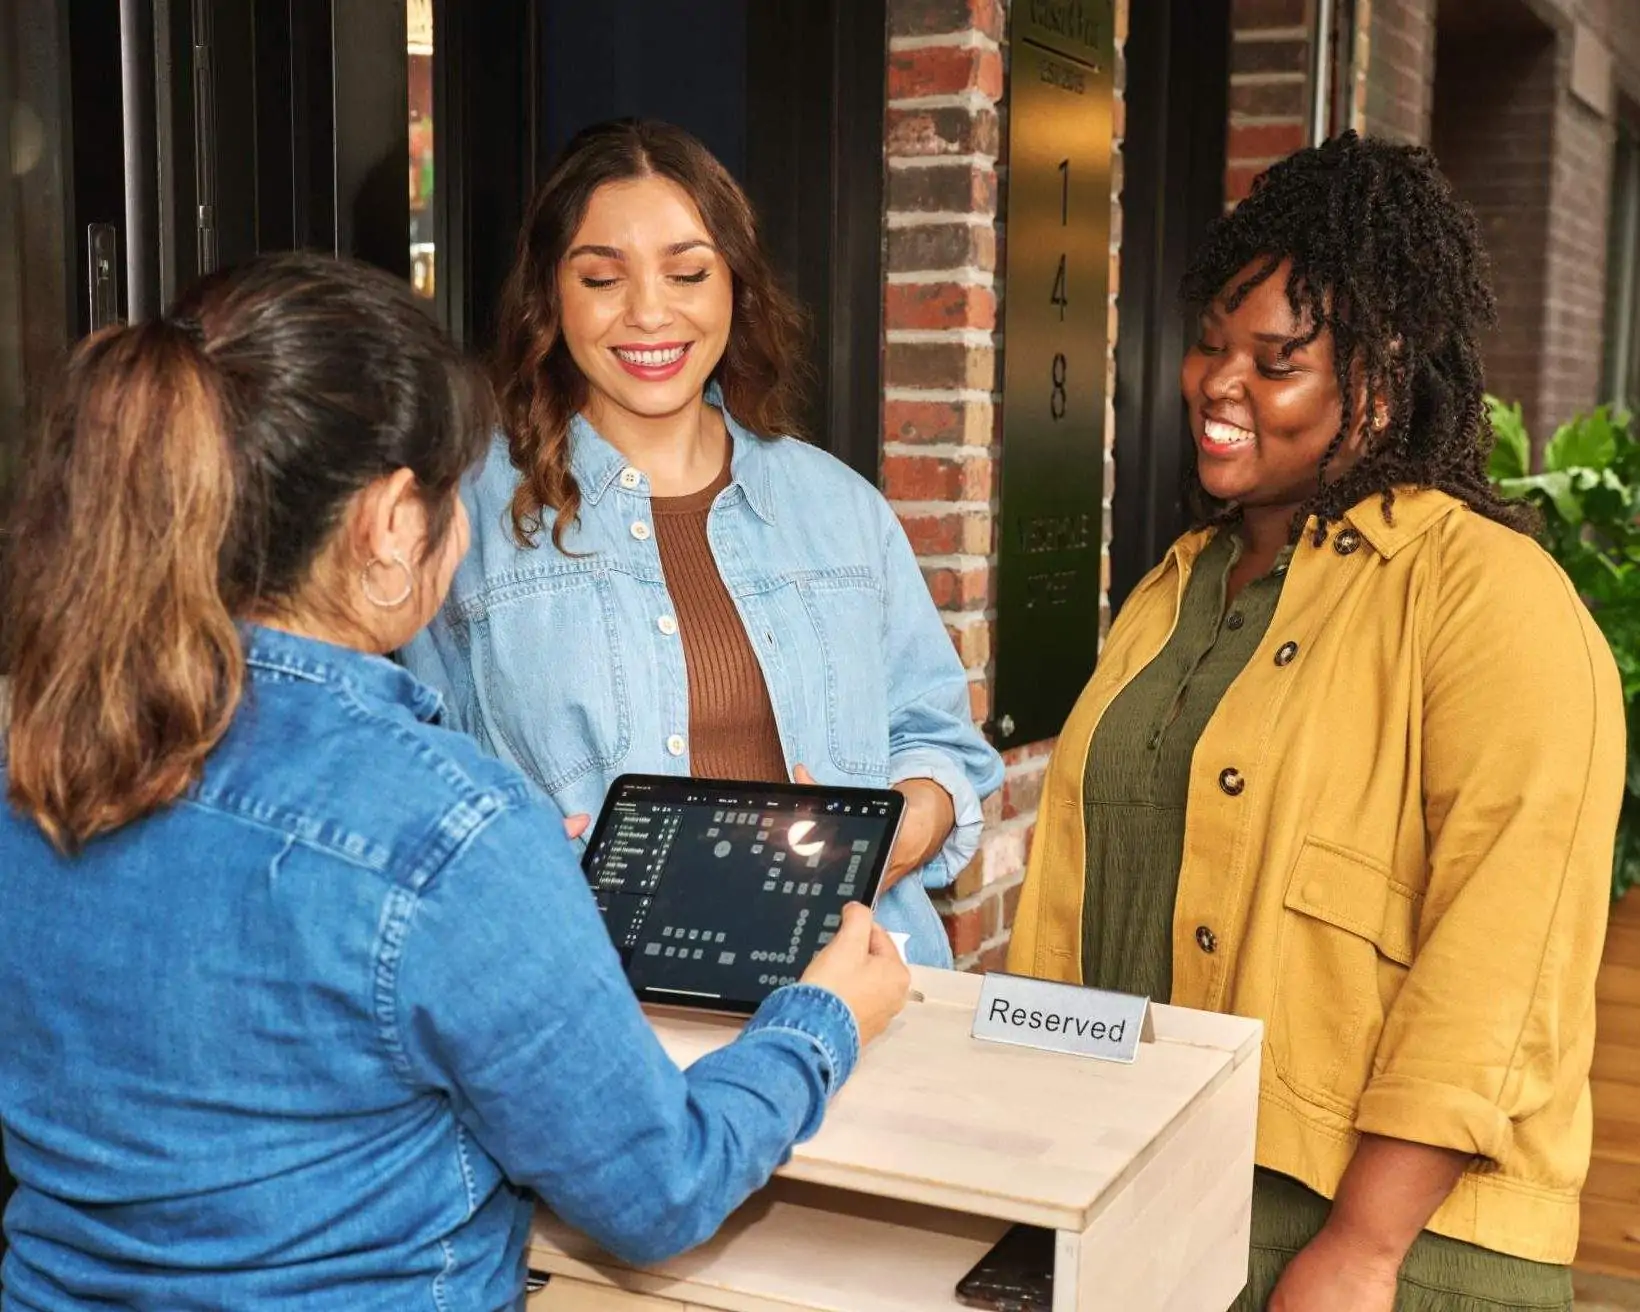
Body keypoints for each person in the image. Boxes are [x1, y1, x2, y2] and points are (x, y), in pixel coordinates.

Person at [0, 252, 910, 1311]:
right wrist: (821, 1016)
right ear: (391, 523)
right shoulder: (453, 829)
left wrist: (519, 904)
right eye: (452, 492)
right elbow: (661, 1185)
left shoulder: (34, 744)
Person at [1006, 133, 1624, 1311]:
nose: (1218, 385)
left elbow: (1508, 946)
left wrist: (1363, 1245)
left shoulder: (1485, 595)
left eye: (1276, 360)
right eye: (1208, 345)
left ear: (1380, 379)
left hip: (1390, 1236)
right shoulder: (1172, 587)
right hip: (1152, 1191)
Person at [400, 120, 1003, 968]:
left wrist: (887, 836)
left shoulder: (840, 509)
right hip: (590, 1004)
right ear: (550, 294)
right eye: (603, 277)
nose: (650, 311)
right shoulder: (463, 513)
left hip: (856, 988)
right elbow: (409, 770)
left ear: (734, 288)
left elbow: (938, 741)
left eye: (687, 272)